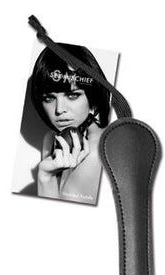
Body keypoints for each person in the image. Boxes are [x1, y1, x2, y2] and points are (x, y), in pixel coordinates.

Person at [30, 44, 111, 203]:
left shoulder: (96, 154)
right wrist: (45, 176)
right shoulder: (51, 139)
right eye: (49, 98)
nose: (59, 110)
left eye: (72, 95)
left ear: (93, 97)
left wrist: (46, 178)